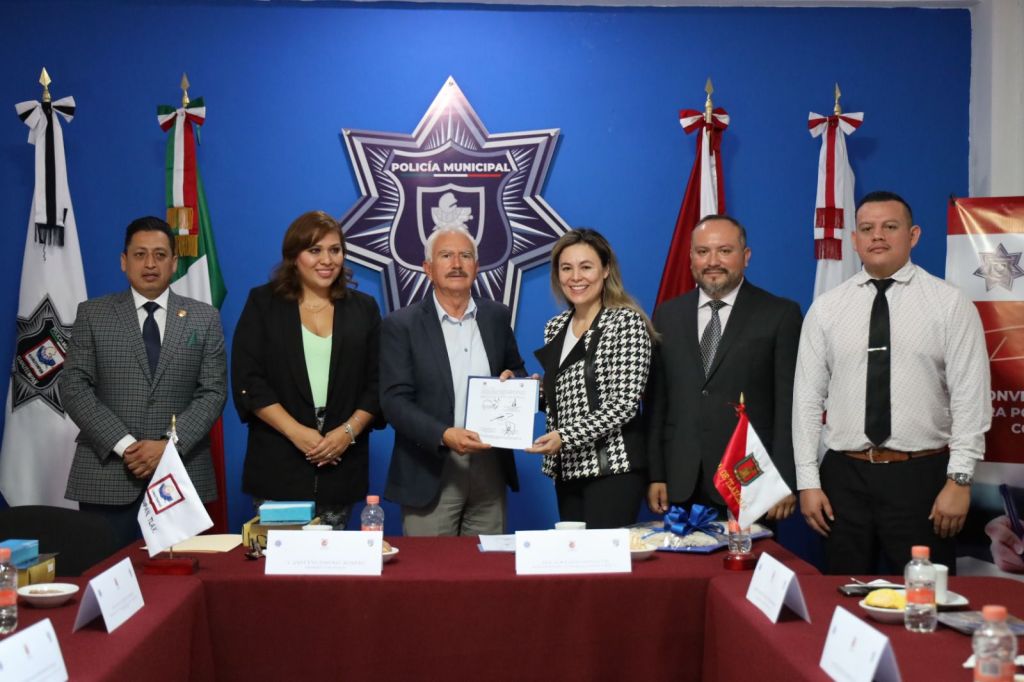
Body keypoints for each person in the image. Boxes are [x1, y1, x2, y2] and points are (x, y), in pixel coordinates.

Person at [794, 190, 992, 574]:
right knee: (843, 594)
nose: (877, 236)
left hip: (922, 478)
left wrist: (960, 480)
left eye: (890, 227)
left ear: (913, 235)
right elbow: (806, 399)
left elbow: (970, 396)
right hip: (844, 479)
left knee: (926, 598)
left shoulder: (949, 304)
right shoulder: (827, 309)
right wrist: (808, 481)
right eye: (867, 229)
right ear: (855, 239)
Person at [62, 216, 227, 548]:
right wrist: (126, 446)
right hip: (107, 474)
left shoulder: (204, 317)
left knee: (180, 575)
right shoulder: (93, 314)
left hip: (180, 473)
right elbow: (74, 388)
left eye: (160, 255)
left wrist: (167, 446)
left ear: (174, 263)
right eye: (140, 254)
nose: (150, 264)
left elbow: (213, 391)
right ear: (124, 261)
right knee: (106, 574)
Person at [646, 215, 801, 520]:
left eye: (725, 251)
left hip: (750, 479)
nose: (712, 261)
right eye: (703, 252)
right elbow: (656, 404)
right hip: (680, 480)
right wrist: (656, 474)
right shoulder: (667, 315)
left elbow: (790, 406)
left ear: (746, 256)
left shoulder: (780, 314)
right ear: (691, 258)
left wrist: (784, 479)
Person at [232, 211, 380, 529]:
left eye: (335, 250)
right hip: (278, 461)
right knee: (278, 557)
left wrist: (347, 432)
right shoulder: (263, 303)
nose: (327, 260)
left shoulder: (363, 308)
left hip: (340, 463)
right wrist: (296, 432)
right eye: (315, 250)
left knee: (331, 557)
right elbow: (249, 379)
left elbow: (377, 382)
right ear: (293, 256)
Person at [380, 225, 526, 536]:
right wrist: (444, 435)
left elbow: (517, 371)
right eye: (446, 256)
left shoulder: (497, 316)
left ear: (477, 265)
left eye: (465, 256)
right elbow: (394, 401)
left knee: (487, 564)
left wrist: (517, 382)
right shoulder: (401, 325)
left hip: (490, 465)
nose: (457, 264)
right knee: (430, 566)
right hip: (430, 467)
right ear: (428, 268)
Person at [528, 228, 653, 528]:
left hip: (613, 468)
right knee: (573, 556)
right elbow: (569, 398)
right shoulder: (555, 326)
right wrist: (529, 392)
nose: (575, 277)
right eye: (566, 268)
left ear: (606, 269)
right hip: (567, 469)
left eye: (586, 267)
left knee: (604, 556)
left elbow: (624, 404)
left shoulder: (625, 322)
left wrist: (564, 437)